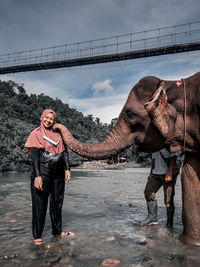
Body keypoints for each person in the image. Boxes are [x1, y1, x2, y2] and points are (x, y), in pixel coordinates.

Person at [25, 109, 74, 245]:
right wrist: (37, 176)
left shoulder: (58, 135)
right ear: (41, 118)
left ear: (54, 121)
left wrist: (67, 169)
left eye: (51, 119)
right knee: (40, 204)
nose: (48, 120)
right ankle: (37, 236)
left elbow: (64, 153)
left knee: (57, 204)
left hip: (58, 174)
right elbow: (34, 156)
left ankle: (57, 231)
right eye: (46, 118)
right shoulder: (36, 133)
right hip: (43, 172)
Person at [141, 148, 179, 228]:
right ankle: (152, 218)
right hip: (156, 173)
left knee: (168, 199)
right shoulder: (154, 143)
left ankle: (169, 224)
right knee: (148, 192)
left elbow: (174, 156)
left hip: (167, 172)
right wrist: (151, 173)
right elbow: (153, 160)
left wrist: (169, 172)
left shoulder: (167, 142)